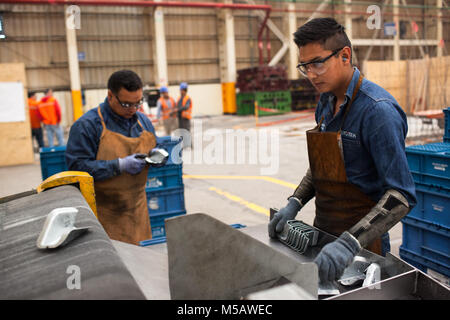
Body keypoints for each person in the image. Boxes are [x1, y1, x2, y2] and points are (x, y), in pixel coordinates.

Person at [268, 18, 417, 284]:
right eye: (304, 66)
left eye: (317, 63)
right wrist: (295, 202)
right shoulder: (325, 103)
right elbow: (324, 164)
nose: (311, 74)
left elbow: (402, 196)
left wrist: (348, 244)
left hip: (362, 249)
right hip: (323, 237)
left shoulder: (377, 111)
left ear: (345, 55)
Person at [65, 70, 158, 245]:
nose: (132, 109)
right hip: (105, 215)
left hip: (138, 212)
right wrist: (119, 165)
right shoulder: (88, 126)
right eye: (126, 104)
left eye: (137, 103)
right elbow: (77, 168)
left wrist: (158, 156)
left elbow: (155, 146)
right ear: (110, 95)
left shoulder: (143, 122)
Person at [176, 82, 193, 147]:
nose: (180, 91)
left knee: (187, 132)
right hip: (180, 117)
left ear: (184, 90)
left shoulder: (187, 98)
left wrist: (178, 109)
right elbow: (177, 106)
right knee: (181, 132)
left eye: (181, 90)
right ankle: (184, 145)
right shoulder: (179, 98)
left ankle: (190, 145)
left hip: (185, 118)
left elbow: (186, 106)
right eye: (180, 90)